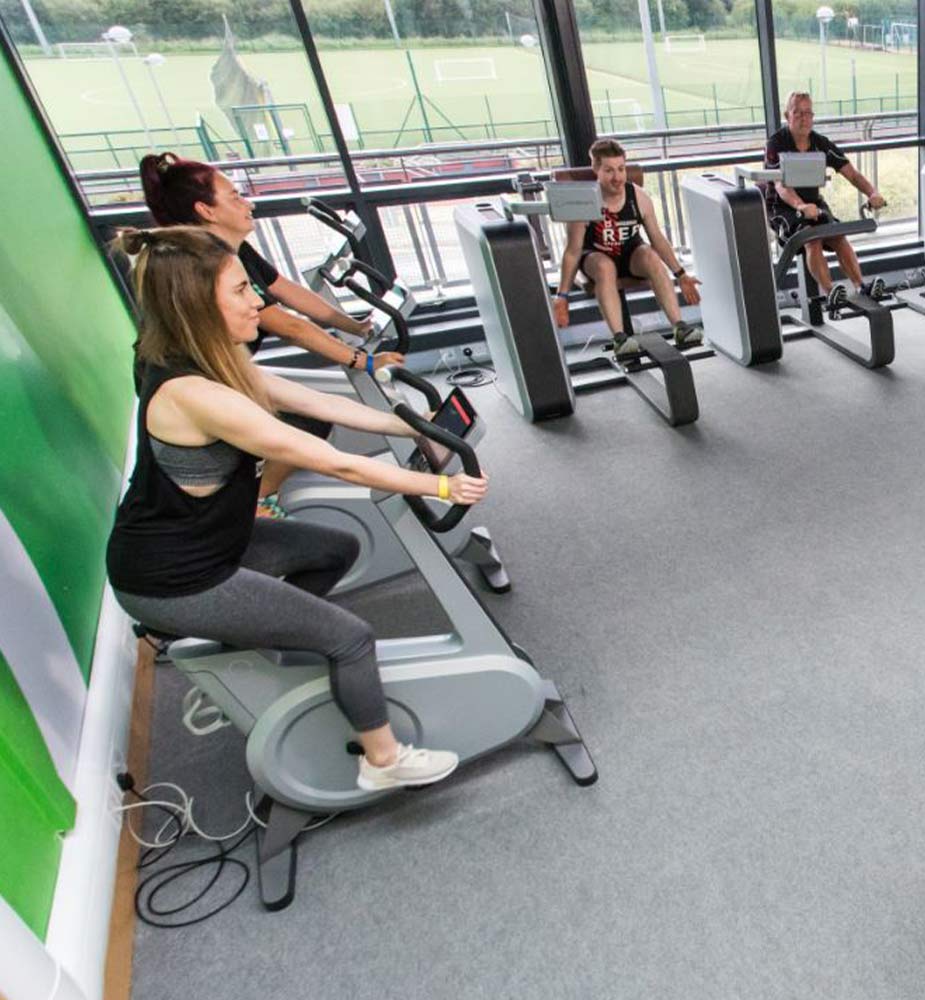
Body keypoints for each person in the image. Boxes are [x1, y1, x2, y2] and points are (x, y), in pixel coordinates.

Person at [106, 227, 485, 791]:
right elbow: (333, 462)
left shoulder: (215, 363)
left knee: (337, 549)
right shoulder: (194, 394)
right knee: (350, 636)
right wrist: (440, 487)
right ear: (196, 305)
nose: (257, 299)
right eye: (240, 291)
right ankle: (382, 763)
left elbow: (311, 402)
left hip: (215, 541)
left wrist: (407, 422)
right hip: (173, 577)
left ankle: (260, 641)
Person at [140, 152, 397, 518]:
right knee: (306, 421)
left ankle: (259, 494)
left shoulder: (231, 249)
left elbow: (286, 290)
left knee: (315, 409)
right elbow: (289, 326)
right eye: (235, 197)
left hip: (224, 367)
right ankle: (259, 501)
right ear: (206, 210)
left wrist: (353, 325)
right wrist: (365, 360)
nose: (248, 203)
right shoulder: (207, 267)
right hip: (190, 382)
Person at [553, 137, 704, 356]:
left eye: (621, 169)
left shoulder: (638, 197)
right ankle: (620, 339)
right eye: (609, 171)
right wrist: (562, 296)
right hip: (595, 256)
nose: (617, 177)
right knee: (605, 267)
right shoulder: (585, 201)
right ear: (596, 169)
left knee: (651, 257)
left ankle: (680, 327)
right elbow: (573, 251)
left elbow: (657, 239)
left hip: (630, 254)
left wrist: (681, 274)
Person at [763, 91, 889, 311]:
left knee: (838, 234)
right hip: (782, 207)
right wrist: (800, 206)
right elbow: (781, 186)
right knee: (812, 239)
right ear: (787, 115)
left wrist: (872, 193)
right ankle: (830, 292)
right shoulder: (776, 143)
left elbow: (853, 174)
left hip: (813, 204)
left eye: (808, 113)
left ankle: (861, 286)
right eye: (797, 113)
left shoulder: (820, 143)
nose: (803, 118)